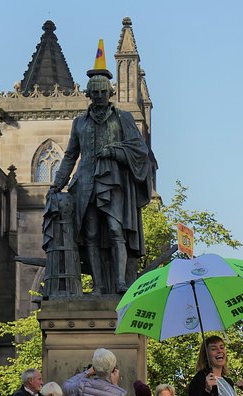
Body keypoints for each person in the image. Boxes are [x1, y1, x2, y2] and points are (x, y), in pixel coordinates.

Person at [49, 63, 154, 294]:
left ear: (110, 93)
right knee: (91, 235)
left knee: (116, 230)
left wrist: (114, 151)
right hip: (85, 183)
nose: (98, 96)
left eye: (103, 92)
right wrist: (57, 184)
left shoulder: (123, 118)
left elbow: (139, 149)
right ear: (88, 94)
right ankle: (98, 285)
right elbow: (70, 155)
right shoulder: (79, 122)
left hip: (113, 182)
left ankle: (120, 282)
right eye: (94, 93)